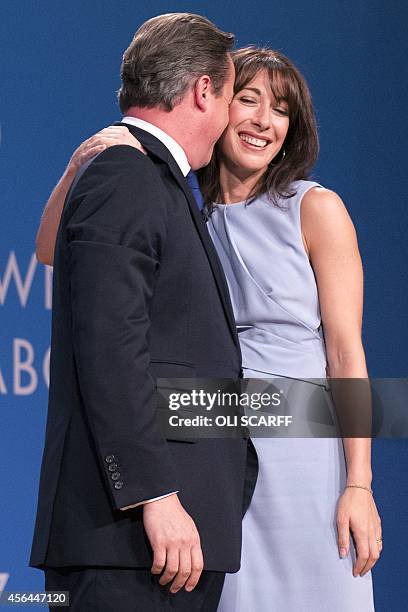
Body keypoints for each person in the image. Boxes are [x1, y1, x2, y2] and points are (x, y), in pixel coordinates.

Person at [36, 45, 382, 611]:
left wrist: (359, 485)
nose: (264, 121)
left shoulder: (317, 209)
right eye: (247, 100)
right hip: (210, 451)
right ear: (214, 104)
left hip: (302, 457)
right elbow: (52, 246)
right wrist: (90, 153)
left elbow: (347, 354)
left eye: (282, 109)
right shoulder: (175, 203)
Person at [30, 14, 258, 612]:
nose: (235, 117)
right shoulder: (126, 174)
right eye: (235, 96)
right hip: (130, 540)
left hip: (160, 544)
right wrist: (155, 493)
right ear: (203, 91)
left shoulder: (154, 181)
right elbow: (110, 347)